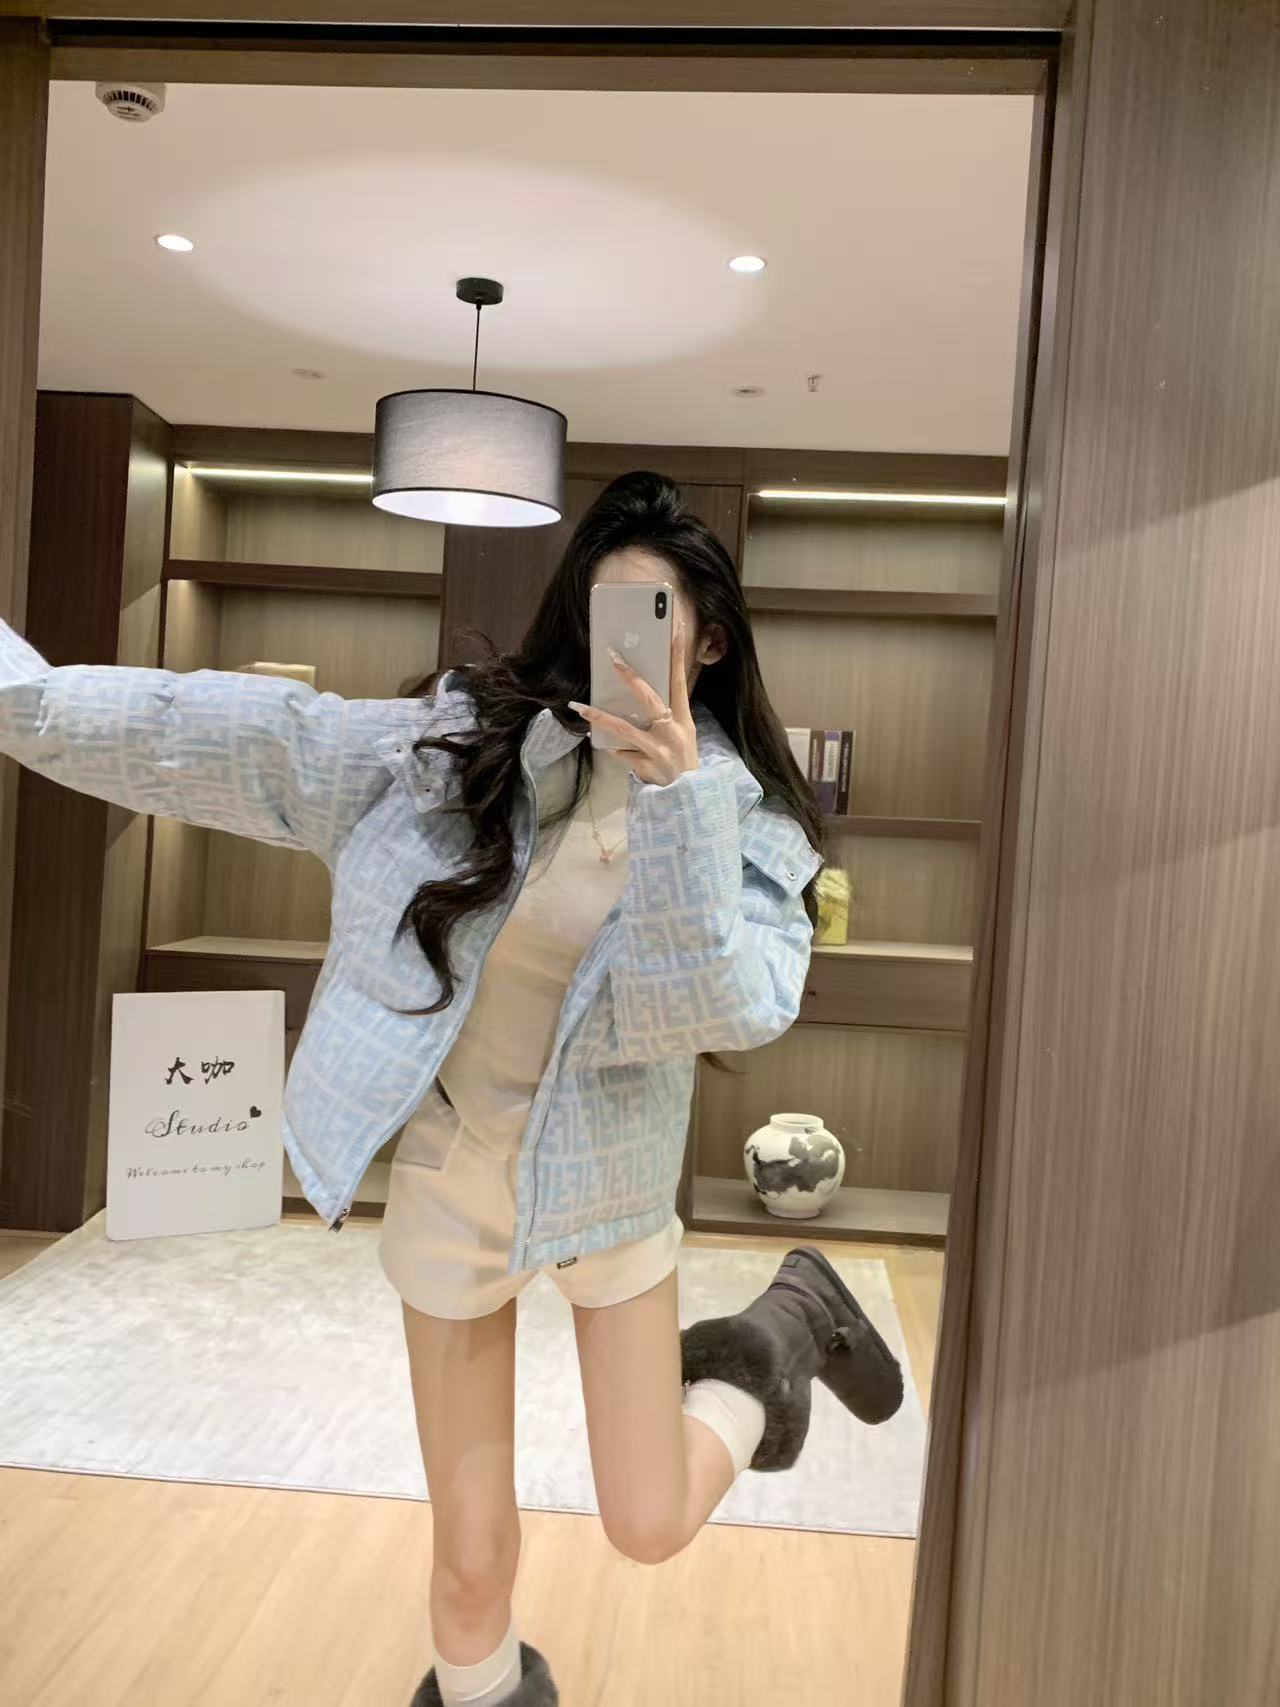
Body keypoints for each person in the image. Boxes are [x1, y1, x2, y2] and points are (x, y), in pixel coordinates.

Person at [0, 471, 902, 1706]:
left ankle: (775, 1336)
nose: (617, 650)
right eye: (599, 615)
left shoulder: (747, 828)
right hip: (452, 1179)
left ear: (707, 643)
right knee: (470, 1562)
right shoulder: (460, 751)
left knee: (648, 1523)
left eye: (648, 619)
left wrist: (679, 803)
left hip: (607, 1188)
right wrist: (26, 700)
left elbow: (715, 1009)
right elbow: (249, 736)